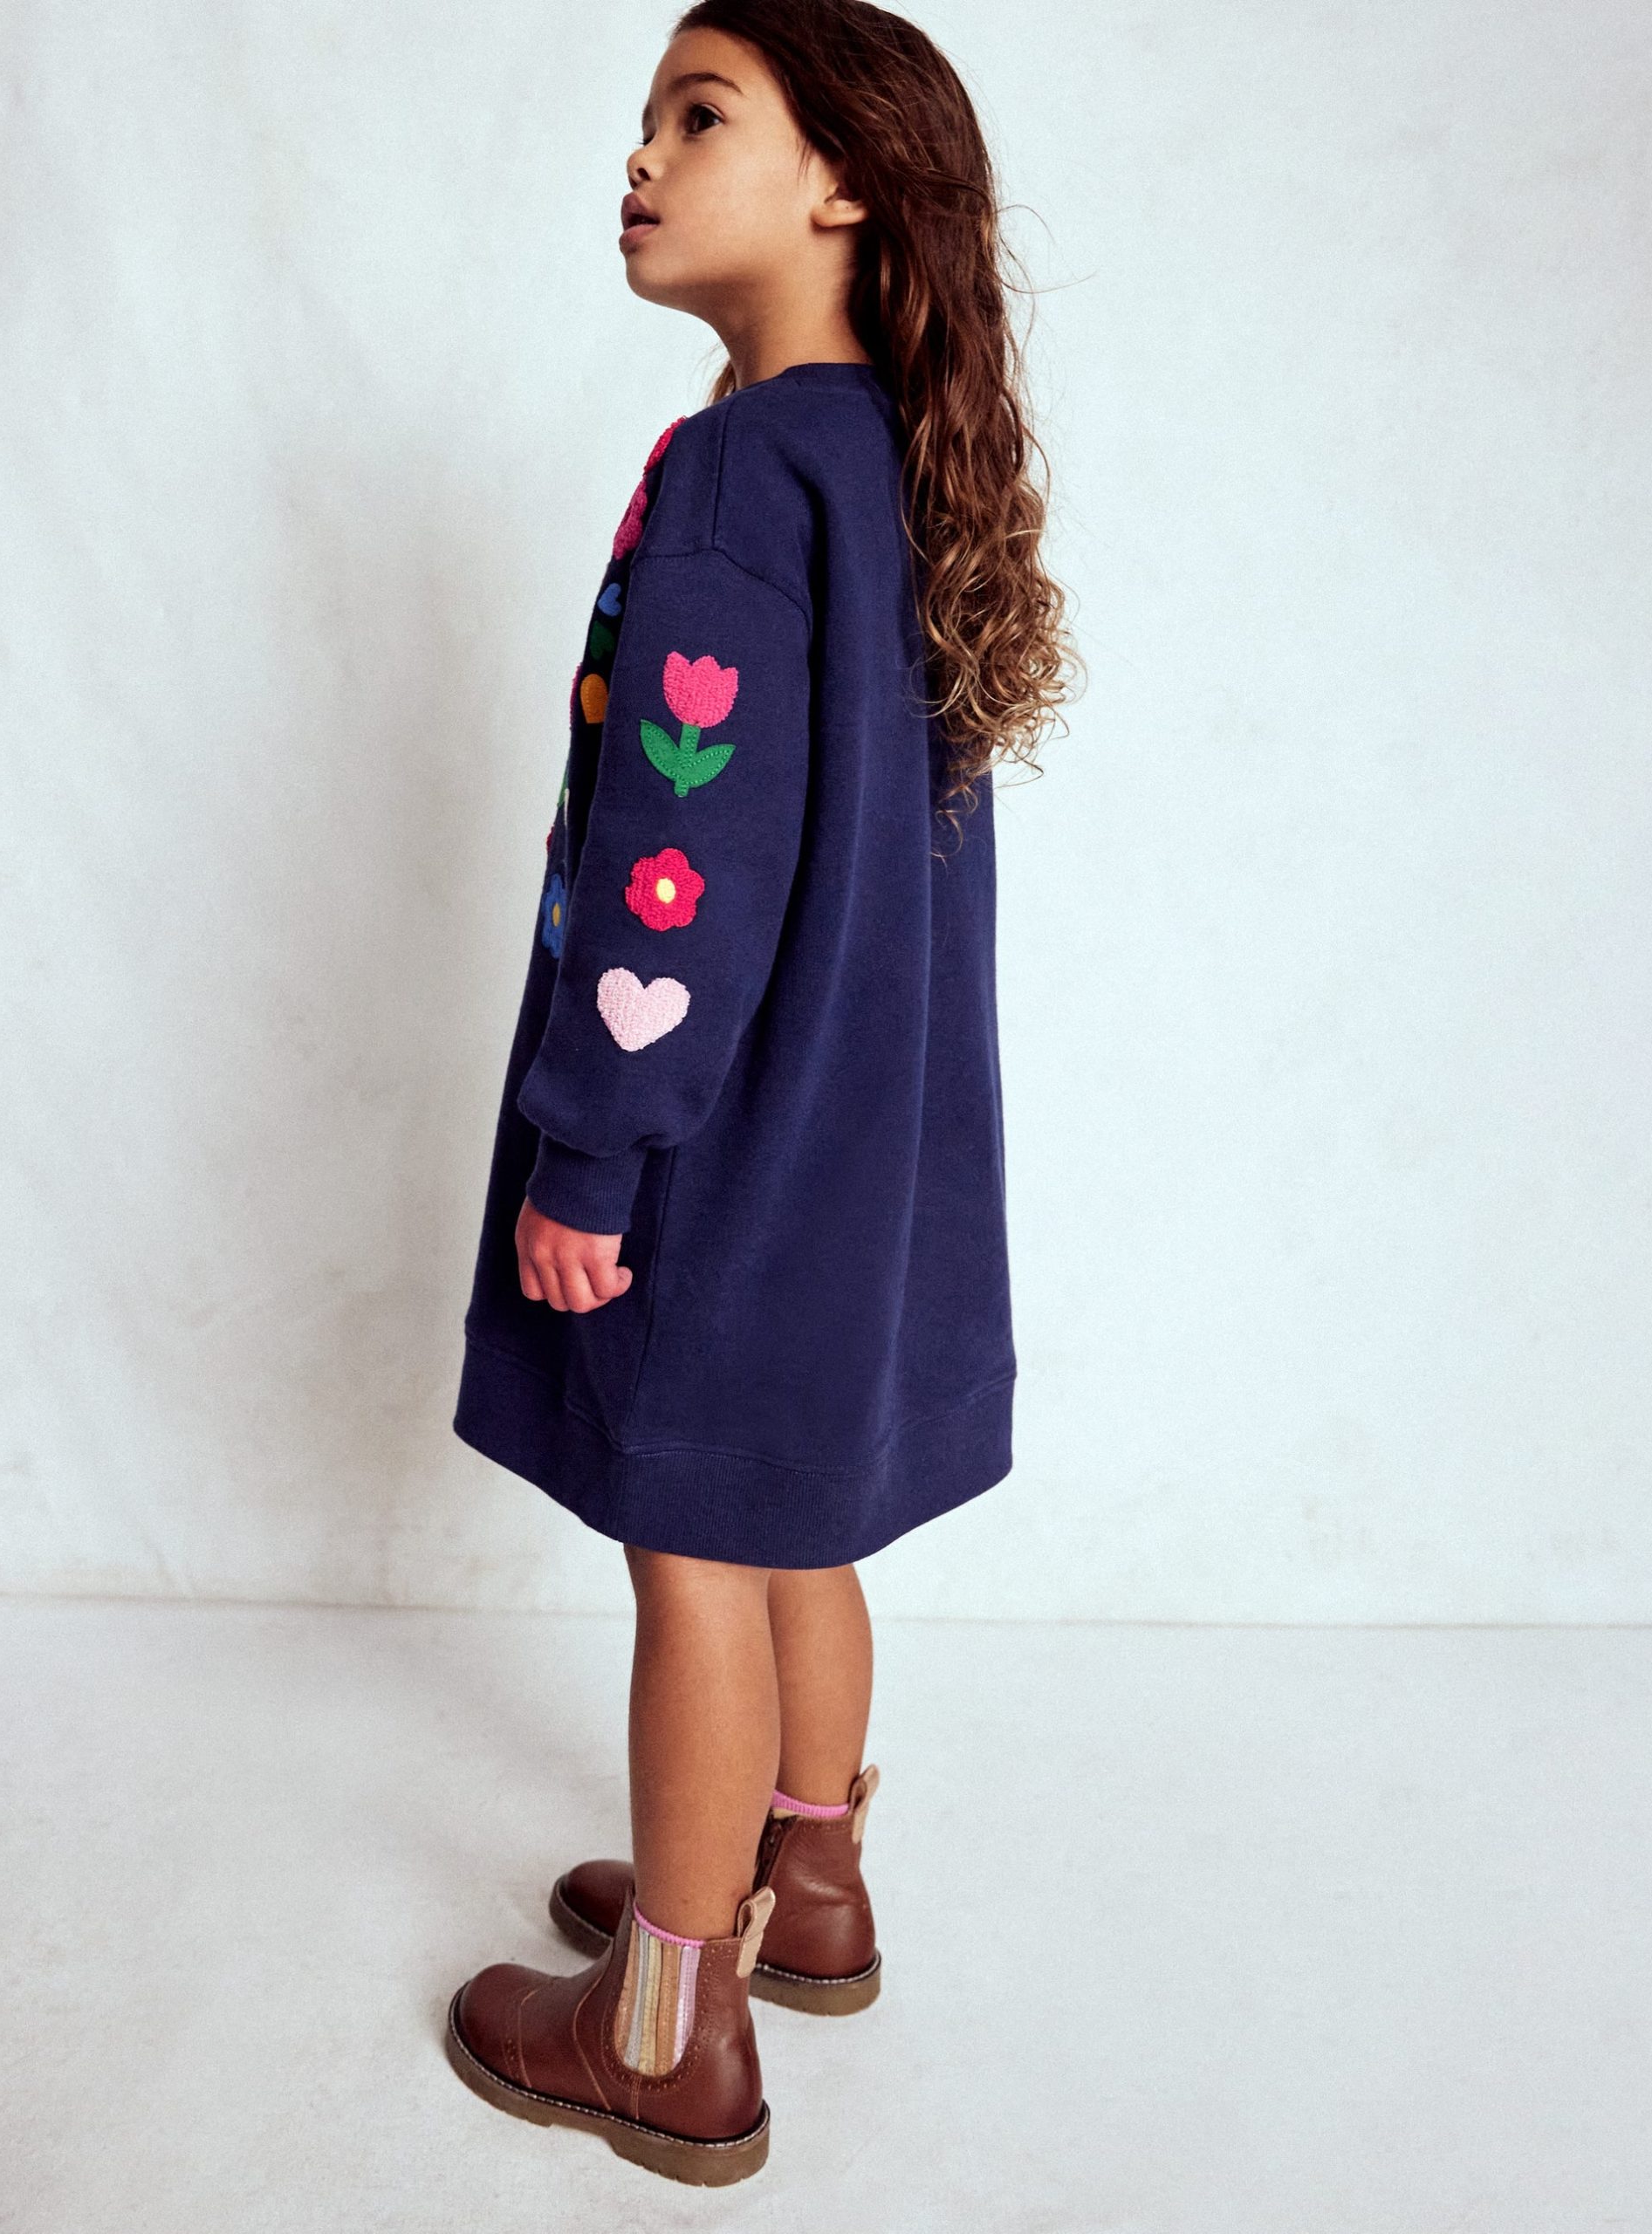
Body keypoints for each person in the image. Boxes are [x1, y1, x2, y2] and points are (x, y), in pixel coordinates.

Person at [443, 0, 1079, 2186]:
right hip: (869, 1145)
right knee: (806, 1515)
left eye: (698, 113)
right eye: (645, 118)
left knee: (697, 1543)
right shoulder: (891, 462)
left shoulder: (741, 468)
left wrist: (593, 1147)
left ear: (844, 184)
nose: (639, 156)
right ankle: (806, 1882)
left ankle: (669, 2021)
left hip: (723, 1134)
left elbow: (675, 857)